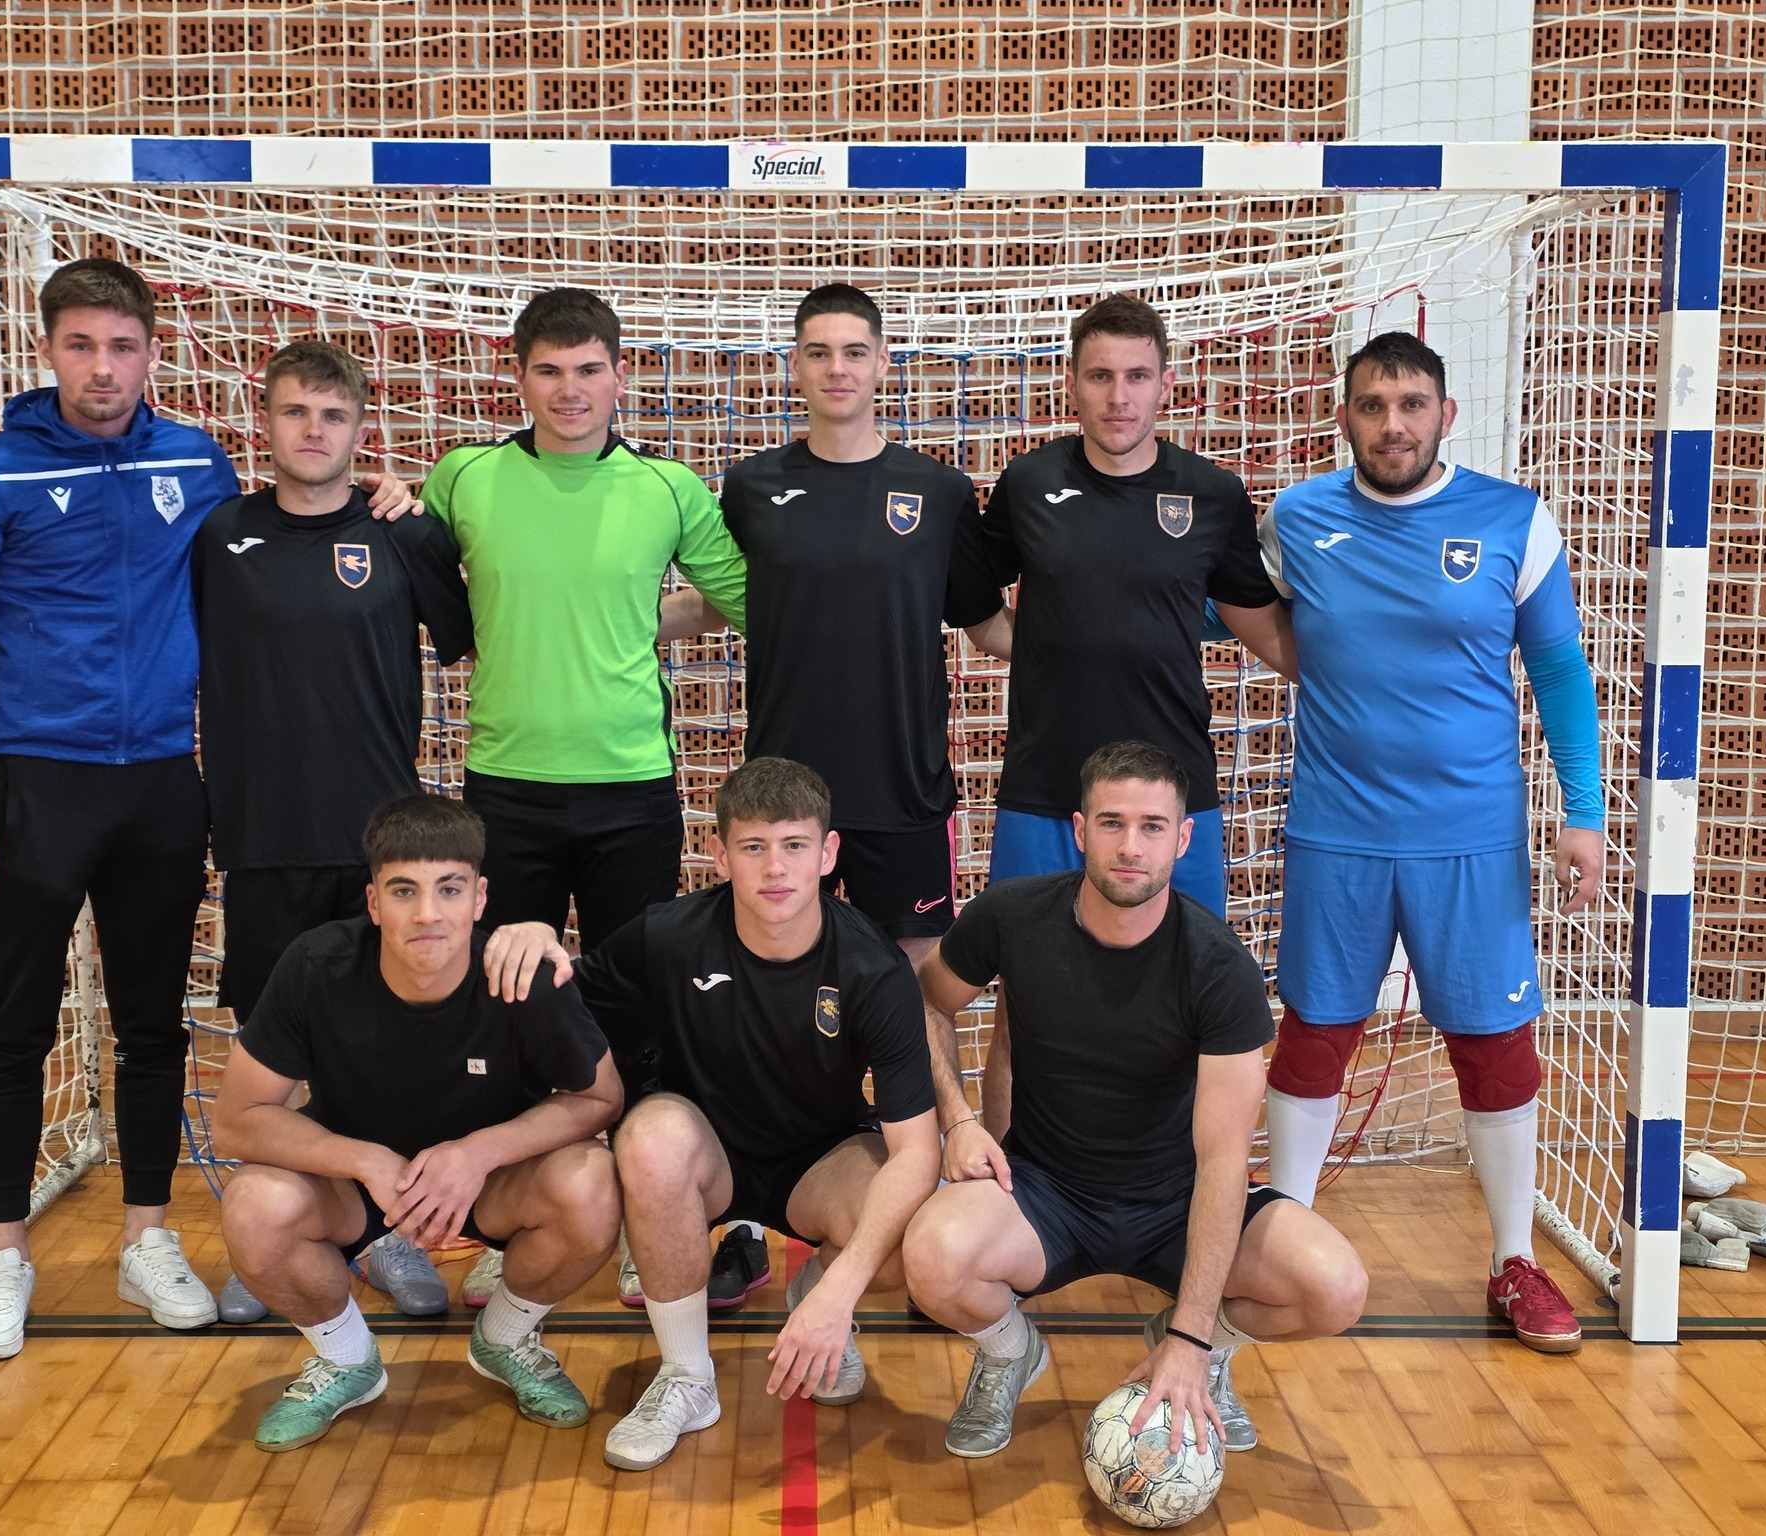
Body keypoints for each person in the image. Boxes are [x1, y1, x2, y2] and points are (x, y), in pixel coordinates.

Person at [0, 259, 414, 1361]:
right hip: (34, 782)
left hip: (161, 783)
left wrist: (385, 494)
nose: (103, 368)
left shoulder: (194, 461)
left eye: (122, 347)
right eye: (81, 345)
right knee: (14, 1025)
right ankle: (3, 1252)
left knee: (152, 1026)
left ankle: (147, 1237)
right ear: (46, 350)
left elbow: (294, 526)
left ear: (152, 353)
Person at [1257, 331, 1605, 1354]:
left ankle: (1514, 1260)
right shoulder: (1294, 519)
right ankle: (1283, 1242)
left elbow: (1558, 671)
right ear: (1343, 419)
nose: (1393, 424)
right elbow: (1216, 608)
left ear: (1445, 415)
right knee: (1314, 1033)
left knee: (1492, 1044)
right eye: (1372, 405)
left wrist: (1582, 812)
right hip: (1336, 832)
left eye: (1412, 404)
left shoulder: (1511, 519)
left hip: (1471, 839)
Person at [902, 742, 1365, 1460]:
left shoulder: (1218, 968)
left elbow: (1223, 1161)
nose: (1130, 846)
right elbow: (925, 1002)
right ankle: (1010, 1354)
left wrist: (1192, 1335)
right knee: (932, 1258)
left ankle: (1208, 1353)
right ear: (1080, 830)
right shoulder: (1013, 917)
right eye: (1111, 823)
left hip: (1175, 1202)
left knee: (1335, 1288)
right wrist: (958, 1121)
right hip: (1045, 1194)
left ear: (1182, 839)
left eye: (1152, 826)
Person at [482, 757, 940, 1472]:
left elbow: (917, 1153)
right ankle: (687, 1377)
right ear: (720, 855)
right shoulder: (667, 935)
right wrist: (539, 947)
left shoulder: (873, 968)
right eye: (753, 847)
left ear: (828, 853)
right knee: (650, 1138)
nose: (775, 868)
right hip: (704, 1156)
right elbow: (563, 1002)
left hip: (819, 1163)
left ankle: (813, 1294)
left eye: (794, 845)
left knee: (913, 1235)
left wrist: (838, 1293)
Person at [193, 339, 474, 1323]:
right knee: (270, 1056)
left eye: (333, 415)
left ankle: (384, 1233)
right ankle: (270, 1237)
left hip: (376, 846)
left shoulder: (399, 532)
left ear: (360, 428)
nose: (313, 431)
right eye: (295, 412)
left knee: (377, 1049)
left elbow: (466, 636)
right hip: (265, 835)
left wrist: (419, 514)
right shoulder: (220, 534)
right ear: (264, 421)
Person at [211, 793, 624, 1451]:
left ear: (480, 899)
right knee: (253, 1204)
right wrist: (365, 1159)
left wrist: (478, 1153)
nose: (427, 912)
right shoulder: (317, 965)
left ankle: (506, 1339)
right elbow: (236, 1122)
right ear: (374, 903)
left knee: (594, 1183)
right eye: (404, 891)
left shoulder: (520, 976)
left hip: (491, 1185)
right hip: (355, 1190)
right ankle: (347, 1360)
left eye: (449, 889)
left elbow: (601, 1098)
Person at [668, 283, 1010, 966]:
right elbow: (721, 602)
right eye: (819, 353)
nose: (837, 369)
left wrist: (1100, 644)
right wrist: (604, 625)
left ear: (882, 361)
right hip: (784, 788)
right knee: (779, 976)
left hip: (903, 787)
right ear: (794, 364)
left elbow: (986, 623)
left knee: (915, 985)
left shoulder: (939, 490)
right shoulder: (752, 486)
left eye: (854, 352)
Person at [417, 286, 748, 950]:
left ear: (619, 376)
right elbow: (416, 585)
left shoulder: (668, 487)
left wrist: (629, 621)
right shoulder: (462, 477)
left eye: (589, 369)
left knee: (630, 992)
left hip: (632, 785)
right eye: (549, 370)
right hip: (505, 783)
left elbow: (749, 603)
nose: (570, 390)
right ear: (518, 377)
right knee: (506, 988)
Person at [979, 294, 1296, 917]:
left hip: (1171, 792)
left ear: (1165, 386)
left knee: (1185, 966)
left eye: (1137, 376)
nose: (1118, 397)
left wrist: (1366, 677)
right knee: (1023, 965)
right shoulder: (1028, 482)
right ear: (1071, 383)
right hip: (1045, 786)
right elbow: (975, 609)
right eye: (1100, 376)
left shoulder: (1212, 494)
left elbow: (1260, 626)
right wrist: (1050, 645)